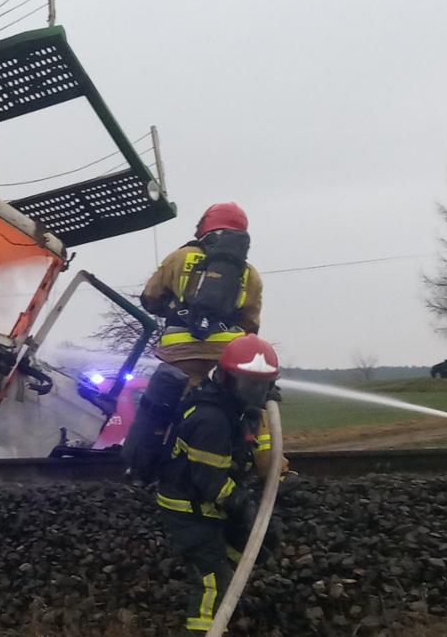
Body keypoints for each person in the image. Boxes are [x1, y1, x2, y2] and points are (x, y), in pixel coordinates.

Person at [125, 203, 265, 481]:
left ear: (204, 227)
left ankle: (150, 471)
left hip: (180, 353)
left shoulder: (179, 257)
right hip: (228, 357)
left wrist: (174, 309)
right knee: (232, 409)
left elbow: (150, 297)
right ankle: (250, 468)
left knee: (167, 409)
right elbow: (251, 323)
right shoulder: (250, 273)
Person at [156, 335, 282, 634]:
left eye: (261, 385)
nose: (255, 394)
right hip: (189, 509)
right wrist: (243, 503)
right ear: (226, 378)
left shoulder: (232, 407)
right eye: (248, 385)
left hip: (213, 502)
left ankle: (225, 585)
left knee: (261, 544)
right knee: (214, 583)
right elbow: (209, 482)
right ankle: (206, 627)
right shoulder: (211, 418)